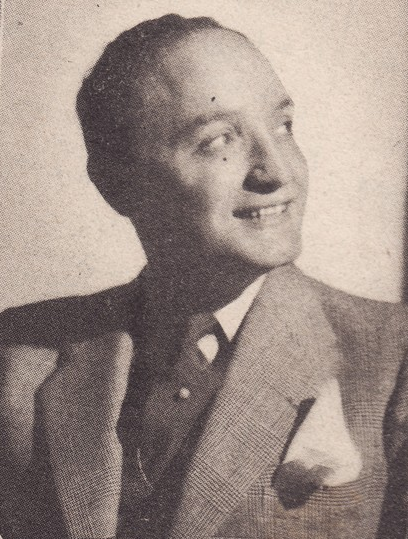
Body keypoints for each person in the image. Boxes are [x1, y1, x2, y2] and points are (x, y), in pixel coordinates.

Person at [0, 13, 406, 539]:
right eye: (218, 141)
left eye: (283, 126)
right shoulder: (20, 355)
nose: (277, 171)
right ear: (116, 184)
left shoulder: (393, 360)